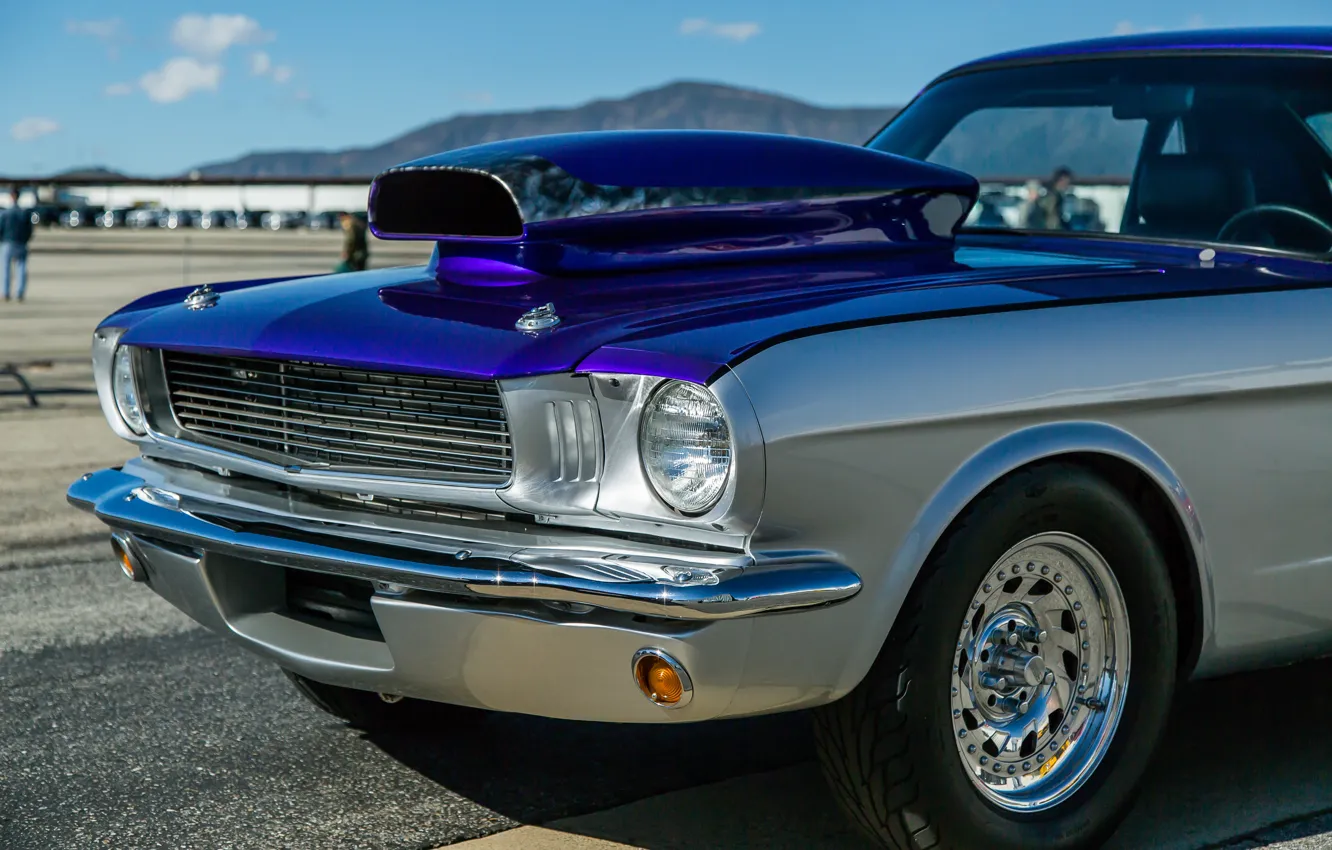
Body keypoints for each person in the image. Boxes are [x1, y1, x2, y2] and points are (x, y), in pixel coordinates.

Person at [0, 186, 34, 302]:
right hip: (21, 242)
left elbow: (0, 228)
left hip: (7, 243)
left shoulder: (5, 213)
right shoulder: (24, 213)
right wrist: (26, 239)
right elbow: (29, 230)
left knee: (5, 269)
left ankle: (5, 292)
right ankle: (20, 292)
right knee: (21, 268)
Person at [1027, 166, 1074, 231]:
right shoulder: (1051, 198)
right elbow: (1050, 216)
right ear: (1061, 180)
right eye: (1067, 182)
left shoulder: (1056, 196)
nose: (1068, 185)